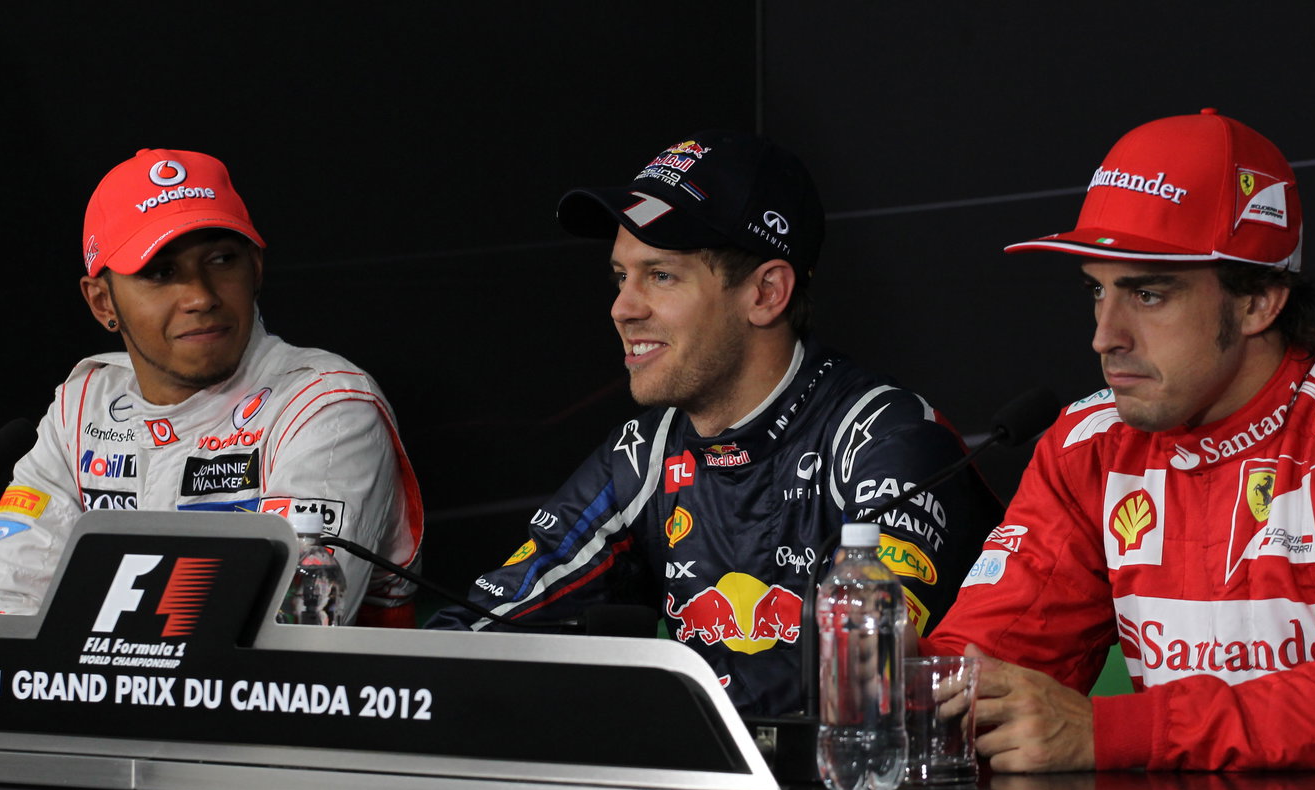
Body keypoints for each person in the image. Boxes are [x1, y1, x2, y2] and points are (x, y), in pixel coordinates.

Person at [924, 110, 1315, 770]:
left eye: (1148, 294)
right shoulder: (1089, 446)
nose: (1105, 335)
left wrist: (1110, 732)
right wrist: (893, 675)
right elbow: (984, 668)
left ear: (1259, 302)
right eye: (1096, 293)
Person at [426, 130, 1002, 716]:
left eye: (661, 275)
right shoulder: (646, 455)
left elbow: (867, 663)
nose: (622, 308)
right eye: (620, 277)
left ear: (766, 293)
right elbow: (493, 618)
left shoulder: (887, 439)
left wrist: (648, 703)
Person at [0, 148, 424, 627]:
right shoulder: (83, 408)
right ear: (101, 301)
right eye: (161, 272)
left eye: (220, 259)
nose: (200, 296)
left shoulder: (327, 405)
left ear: (255, 268)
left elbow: (284, 626)